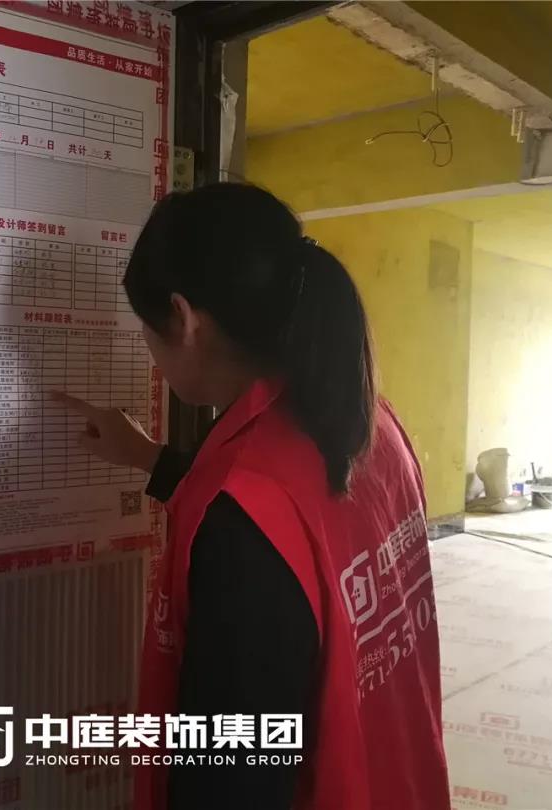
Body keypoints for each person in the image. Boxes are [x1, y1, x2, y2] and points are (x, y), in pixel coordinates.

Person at [54, 183, 449, 810]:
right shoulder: (370, 424)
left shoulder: (242, 525)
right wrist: (151, 458)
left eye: (148, 335)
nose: (152, 360)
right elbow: (300, 532)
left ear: (184, 318)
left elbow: (233, 773)